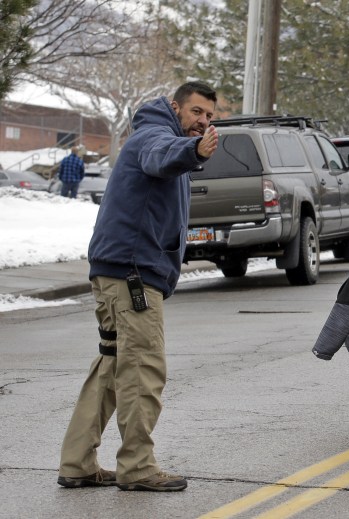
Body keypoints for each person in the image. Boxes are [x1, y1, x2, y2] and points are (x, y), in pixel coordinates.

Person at [57, 82, 219, 492]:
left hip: (118, 270)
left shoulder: (162, 135)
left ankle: (77, 462)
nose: (203, 122)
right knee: (143, 367)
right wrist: (193, 152)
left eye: (210, 117)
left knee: (111, 366)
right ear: (175, 106)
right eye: (197, 112)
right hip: (132, 275)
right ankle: (138, 466)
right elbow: (159, 156)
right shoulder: (155, 136)